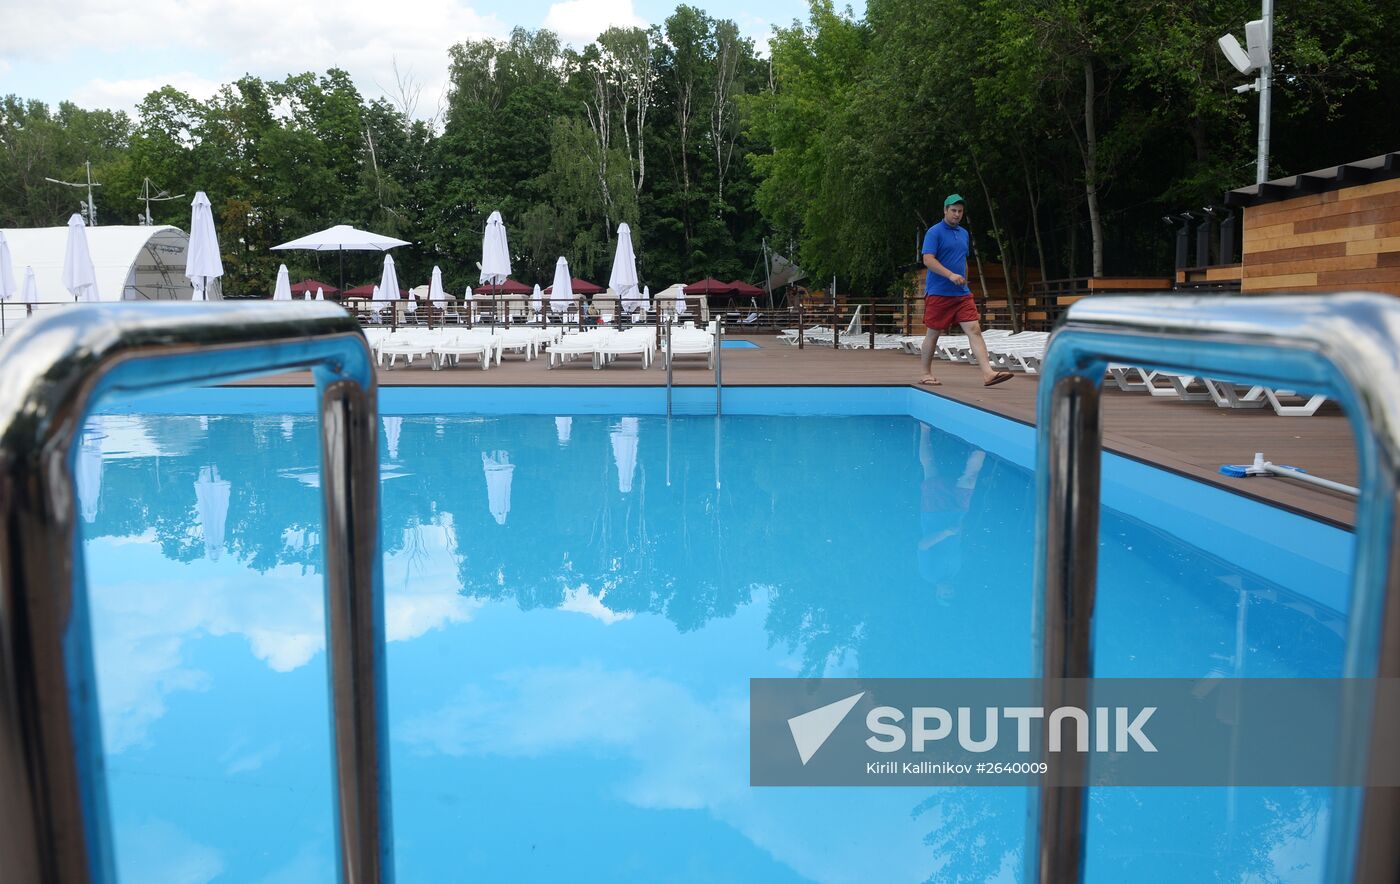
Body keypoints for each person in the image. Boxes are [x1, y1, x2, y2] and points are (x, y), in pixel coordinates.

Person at [918, 194, 1013, 387]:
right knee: (934, 332)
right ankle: (925, 373)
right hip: (938, 292)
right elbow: (928, 260)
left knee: (975, 330)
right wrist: (950, 275)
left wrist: (965, 280)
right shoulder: (934, 232)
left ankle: (988, 373)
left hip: (961, 294)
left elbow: (962, 260)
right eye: (953, 210)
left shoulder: (963, 233)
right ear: (945, 211)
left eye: (960, 211)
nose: (957, 214)